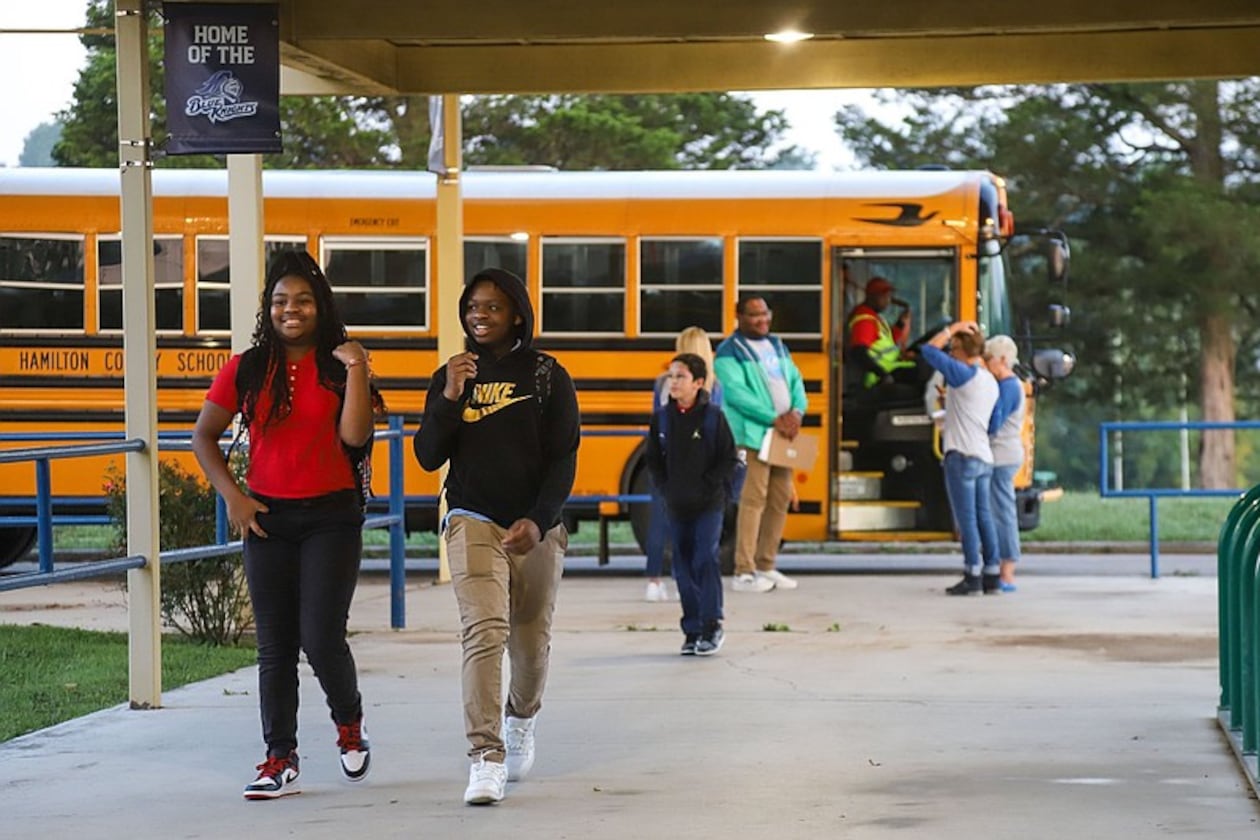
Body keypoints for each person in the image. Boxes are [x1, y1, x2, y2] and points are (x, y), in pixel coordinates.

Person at [190, 249, 381, 800]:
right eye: (279, 301)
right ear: (267, 308)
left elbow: (354, 438)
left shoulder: (340, 364)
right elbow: (202, 437)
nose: (289, 310)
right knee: (274, 647)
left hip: (332, 517)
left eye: (301, 300)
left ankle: (350, 725)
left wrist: (357, 369)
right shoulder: (247, 367)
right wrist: (236, 498)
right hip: (267, 517)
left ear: (320, 305)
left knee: (320, 637)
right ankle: (280, 759)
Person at [413, 267, 580, 806]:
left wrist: (539, 518)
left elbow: (563, 459)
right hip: (471, 516)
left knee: (529, 646)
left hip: (534, 524)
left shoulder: (547, 376)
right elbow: (427, 456)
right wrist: (451, 396)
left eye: (491, 308)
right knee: (484, 633)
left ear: (516, 315)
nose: (479, 317)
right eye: (472, 308)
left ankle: (521, 719)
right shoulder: (452, 374)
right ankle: (485, 756)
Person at [714, 295, 808, 594]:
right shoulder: (730, 351)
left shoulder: (777, 345)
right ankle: (744, 570)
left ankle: (766, 564)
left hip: (783, 433)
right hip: (754, 433)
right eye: (754, 315)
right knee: (754, 500)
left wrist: (797, 412)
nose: (762, 319)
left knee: (780, 499)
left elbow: (795, 380)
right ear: (739, 316)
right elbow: (737, 393)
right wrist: (774, 417)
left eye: (765, 313)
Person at [646, 352, 737, 655]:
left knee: (704, 558)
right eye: (671, 376)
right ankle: (692, 629)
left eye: (680, 376)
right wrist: (666, 488)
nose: (673, 382)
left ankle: (712, 625)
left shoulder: (713, 417)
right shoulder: (661, 418)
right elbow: (654, 461)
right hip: (677, 504)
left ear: (698, 382)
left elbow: (728, 458)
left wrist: (709, 484)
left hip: (708, 504)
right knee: (682, 567)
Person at [919, 320, 1001, 596]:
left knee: (966, 520)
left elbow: (929, 352)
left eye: (953, 348)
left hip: (961, 455)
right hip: (983, 455)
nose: (950, 352)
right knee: (984, 517)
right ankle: (992, 574)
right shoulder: (990, 380)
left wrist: (951, 329)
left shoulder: (962, 374)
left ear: (962, 350)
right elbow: (994, 422)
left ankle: (972, 576)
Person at [644, 326, 724, 603]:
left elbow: (657, 415)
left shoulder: (663, 382)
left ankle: (654, 581)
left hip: (669, 460)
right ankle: (688, 582)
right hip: (699, 464)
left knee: (661, 519)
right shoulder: (713, 385)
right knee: (697, 527)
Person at [985, 335, 1026, 593]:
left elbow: (994, 421)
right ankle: (1003, 568)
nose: (986, 364)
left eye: (989, 359)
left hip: (1002, 455)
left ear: (1002, 360)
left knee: (1002, 512)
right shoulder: (1009, 385)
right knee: (999, 510)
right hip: (1004, 454)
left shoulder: (1009, 387)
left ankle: (1007, 571)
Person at [846, 276, 916, 389]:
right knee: (922, 370)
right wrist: (883, 375)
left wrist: (900, 324)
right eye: (884, 297)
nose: (888, 301)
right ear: (872, 297)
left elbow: (887, 342)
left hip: (890, 367)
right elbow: (858, 352)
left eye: (889, 297)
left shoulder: (874, 318)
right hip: (877, 377)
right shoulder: (865, 321)